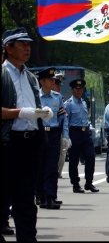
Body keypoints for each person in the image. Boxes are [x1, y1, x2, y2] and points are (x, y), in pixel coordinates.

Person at [2, 27, 54, 240]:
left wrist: (42, 113)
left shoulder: (31, 77)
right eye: (22, 44)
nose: (27, 48)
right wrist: (21, 113)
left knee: (26, 200)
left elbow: (35, 108)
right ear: (8, 48)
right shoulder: (3, 74)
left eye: (28, 44)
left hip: (30, 144)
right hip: (7, 143)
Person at [35, 67, 69, 210]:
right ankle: (40, 195)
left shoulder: (57, 97)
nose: (52, 81)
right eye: (49, 79)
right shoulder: (36, 96)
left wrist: (65, 136)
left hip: (54, 134)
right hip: (40, 134)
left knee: (52, 167)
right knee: (39, 167)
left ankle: (51, 197)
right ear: (42, 81)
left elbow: (62, 118)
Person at [65, 78, 99, 193]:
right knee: (74, 160)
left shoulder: (84, 103)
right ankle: (75, 183)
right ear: (72, 90)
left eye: (81, 89)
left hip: (85, 133)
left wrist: (89, 126)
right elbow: (66, 121)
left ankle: (89, 182)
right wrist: (67, 136)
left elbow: (85, 118)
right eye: (77, 89)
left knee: (90, 156)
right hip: (74, 133)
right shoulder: (68, 104)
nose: (79, 91)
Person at [54, 72, 69, 179]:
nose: (59, 88)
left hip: (57, 131)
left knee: (61, 153)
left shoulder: (59, 98)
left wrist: (65, 135)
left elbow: (63, 118)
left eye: (59, 86)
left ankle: (57, 171)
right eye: (57, 85)